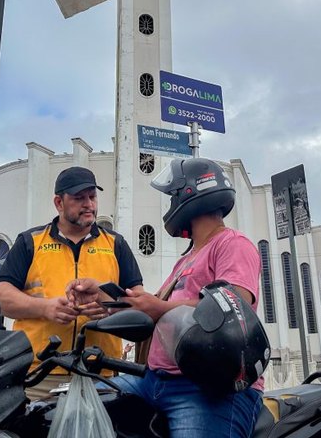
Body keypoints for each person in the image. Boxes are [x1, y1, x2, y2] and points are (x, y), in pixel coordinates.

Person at [68, 158, 265, 437]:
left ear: (189, 195)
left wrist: (158, 306)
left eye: (172, 196)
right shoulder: (186, 260)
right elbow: (159, 310)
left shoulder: (232, 244)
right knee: (71, 407)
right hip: (154, 380)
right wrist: (103, 297)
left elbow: (236, 304)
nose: (170, 205)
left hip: (206, 390)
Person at [0, 166, 144, 400]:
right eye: (78, 198)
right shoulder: (30, 242)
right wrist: (45, 308)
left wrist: (108, 307)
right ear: (59, 203)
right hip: (39, 373)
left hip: (101, 372)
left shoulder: (116, 244)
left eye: (92, 196)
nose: (89, 204)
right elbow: (2, 296)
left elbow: (139, 303)